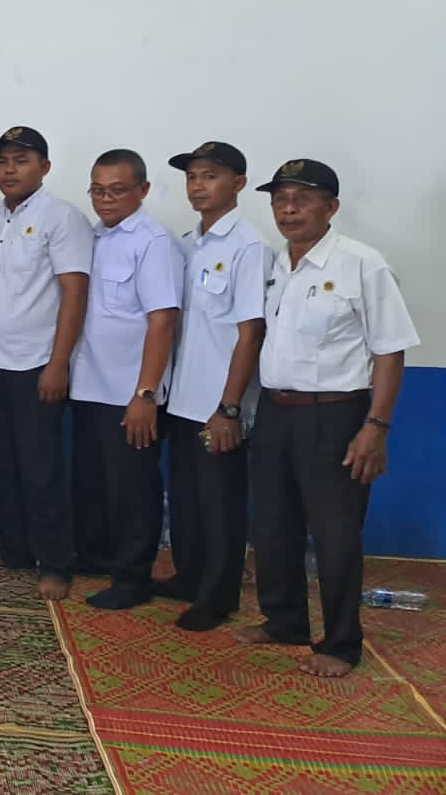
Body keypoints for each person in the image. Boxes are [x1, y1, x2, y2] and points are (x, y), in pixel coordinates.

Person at [234, 159, 418, 679]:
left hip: (335, 415)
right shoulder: (277, 264)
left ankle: (340, 643)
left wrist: (375, 428)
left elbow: (390, 351)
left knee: (335, 533)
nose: (288, 209)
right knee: (272, 525)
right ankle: (284, 620)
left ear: (331, 207)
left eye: (302, 199)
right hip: (275, 412)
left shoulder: (362, 264)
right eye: (280, 200)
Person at [0, 126, 93, 601]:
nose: (9, 169)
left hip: (34, 366)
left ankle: (55, 563)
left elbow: (74, 293)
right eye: (2, 161)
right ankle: (14, 548)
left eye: (20, 160)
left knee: (41, 471)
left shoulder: (63, 218)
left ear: (45, 166)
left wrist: (58, 364)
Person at [159, 142, 268, 631]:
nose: (198, 186)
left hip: (219, 403)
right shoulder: (189, 244)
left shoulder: (248, 246)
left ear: (238, 184)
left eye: (210, 176)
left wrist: (229, 408)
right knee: (186, 498)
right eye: (192, 177)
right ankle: (189, 577)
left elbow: (251, 332)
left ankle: (219, 597)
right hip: (183, 397)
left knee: (220, 503)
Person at [69, 149, 183, 610]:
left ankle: (133, 578)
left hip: (129, 392)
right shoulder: (93, 237)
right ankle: (98, 558)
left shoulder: (154, 242)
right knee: (95, 482)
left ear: (143, 190)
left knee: (132, 488)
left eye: (117, 190)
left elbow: (163, 321)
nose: (105, 199)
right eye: (97, 190)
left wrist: (145, 394)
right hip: (89, 385)